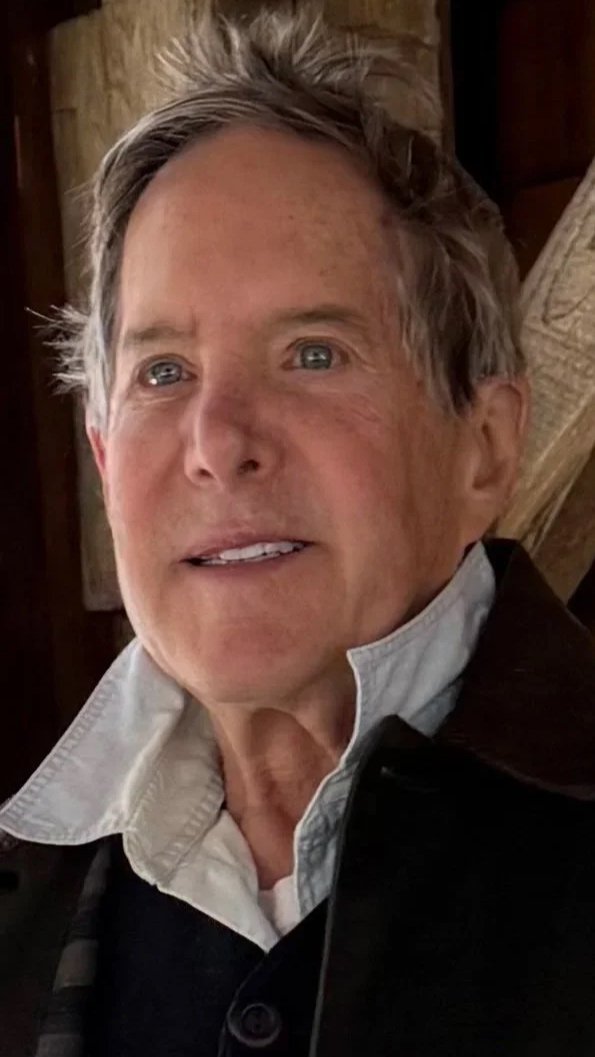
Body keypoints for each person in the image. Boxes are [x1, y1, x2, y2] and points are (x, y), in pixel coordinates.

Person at [2, 4, 595, 1055]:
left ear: (483, 448)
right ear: (102, 458)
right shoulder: (24, 892)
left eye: (312, 354)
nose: (217, 441)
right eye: (163, 372)